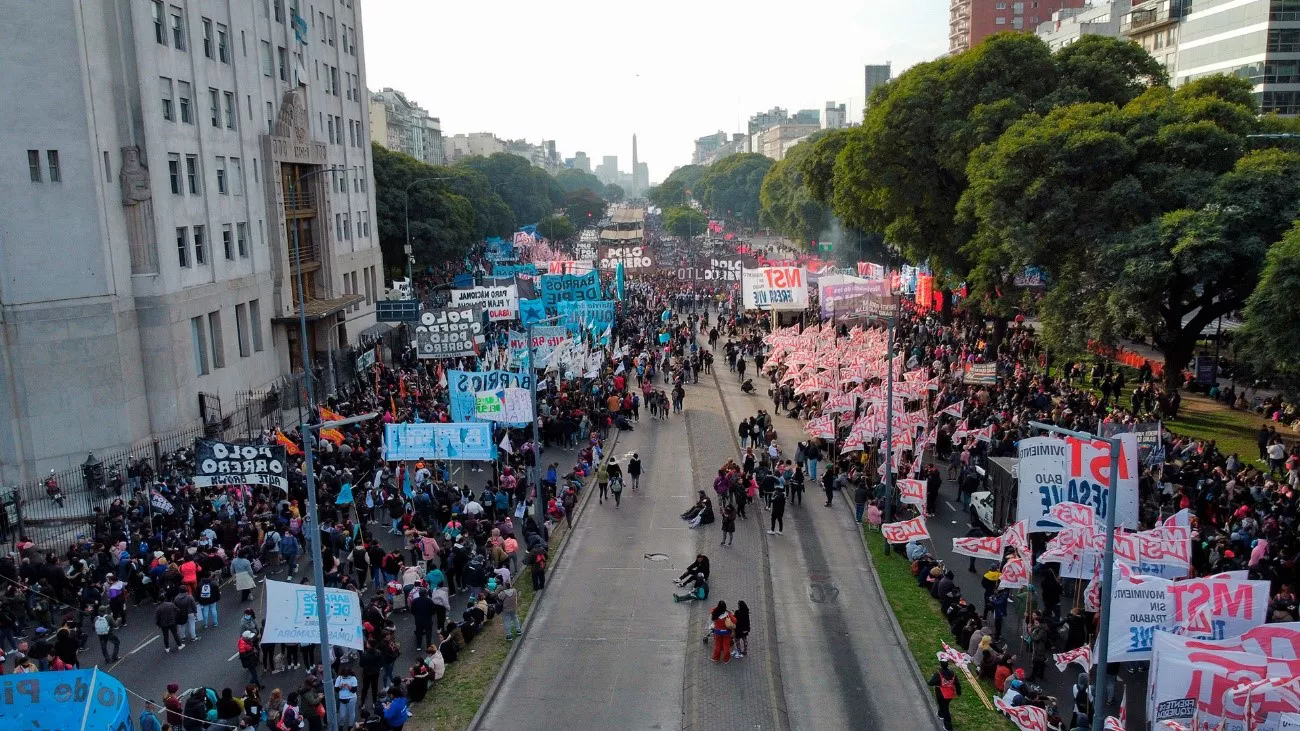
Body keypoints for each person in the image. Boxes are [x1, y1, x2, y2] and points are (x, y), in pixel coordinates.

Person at [929, 659, 961, 731]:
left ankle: (948, 726)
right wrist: (958, 692)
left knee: (945, 709)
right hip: (950, 694)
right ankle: (940, 714)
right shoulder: (952, 673)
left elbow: (930, 683)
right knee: (944, 704)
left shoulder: (938, 674)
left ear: (941, 665)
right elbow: (957, 683)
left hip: (941, 693)